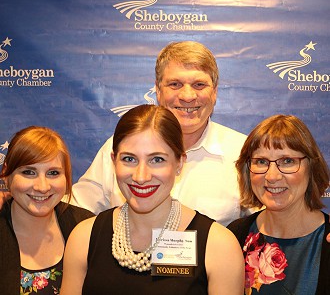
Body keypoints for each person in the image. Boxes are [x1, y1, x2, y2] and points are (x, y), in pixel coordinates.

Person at [60, 105, 244, 295]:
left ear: (179, 163)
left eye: (157, 160)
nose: (141, 176)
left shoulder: (219, 247)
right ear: (113, 161)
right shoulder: (84, 238)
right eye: (129, 159)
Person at [71, 40, 248, 226]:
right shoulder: (122, 147)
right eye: (175, 84)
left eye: (199, 85)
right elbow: (77, 214)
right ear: (157, 90)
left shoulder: (242, 152)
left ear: (215, 92)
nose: (187, 96)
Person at [227, 114, 330, 295]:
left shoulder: (327, 240)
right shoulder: (236, 236)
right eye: (261, 162)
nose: (272, 176)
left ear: (311, 168)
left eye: (287, 161)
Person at [0, 126, 94, 295]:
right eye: (29, 172)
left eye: (53, 173)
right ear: (7, 174)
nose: (42, 187)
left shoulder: (87, 228)